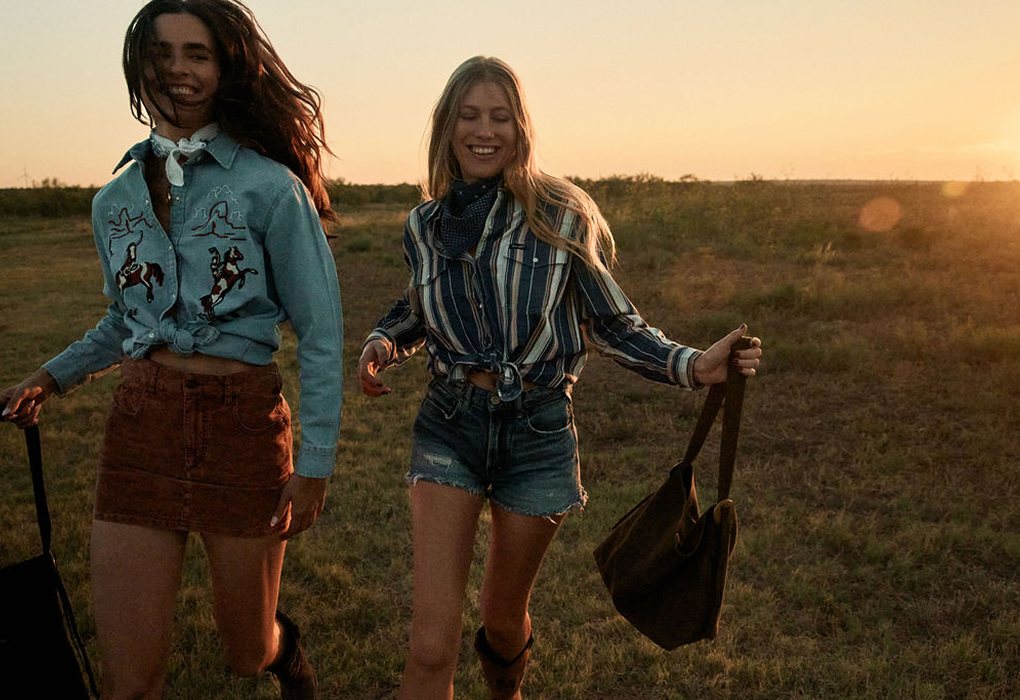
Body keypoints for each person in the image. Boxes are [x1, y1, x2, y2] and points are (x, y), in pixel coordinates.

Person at [357, 55, 764, 699]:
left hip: (539, 432)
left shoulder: (558, 213)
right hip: (451, 424)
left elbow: (611, 323)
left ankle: (506, 688)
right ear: (447, 127)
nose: (483, 130)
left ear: (521, 129)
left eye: (500, 117)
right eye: (469, 116)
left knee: (500, 620)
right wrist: (385, 338)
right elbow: (421, 302)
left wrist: (693, 364)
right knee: (431, 644)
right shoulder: (424, 225)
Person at [0, 2, 342, 698]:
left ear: (223, 69)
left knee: (246, 651)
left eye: (198, 53)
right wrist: (51, 376)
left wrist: (315, 466)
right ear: (138, 67)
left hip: (241, 428)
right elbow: (126, 319)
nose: (179, 70)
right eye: (162, 53)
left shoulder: (270, 188)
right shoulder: (113, 201)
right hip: (141, 426)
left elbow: (322, 333)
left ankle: (283, 650)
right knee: (128, 682)